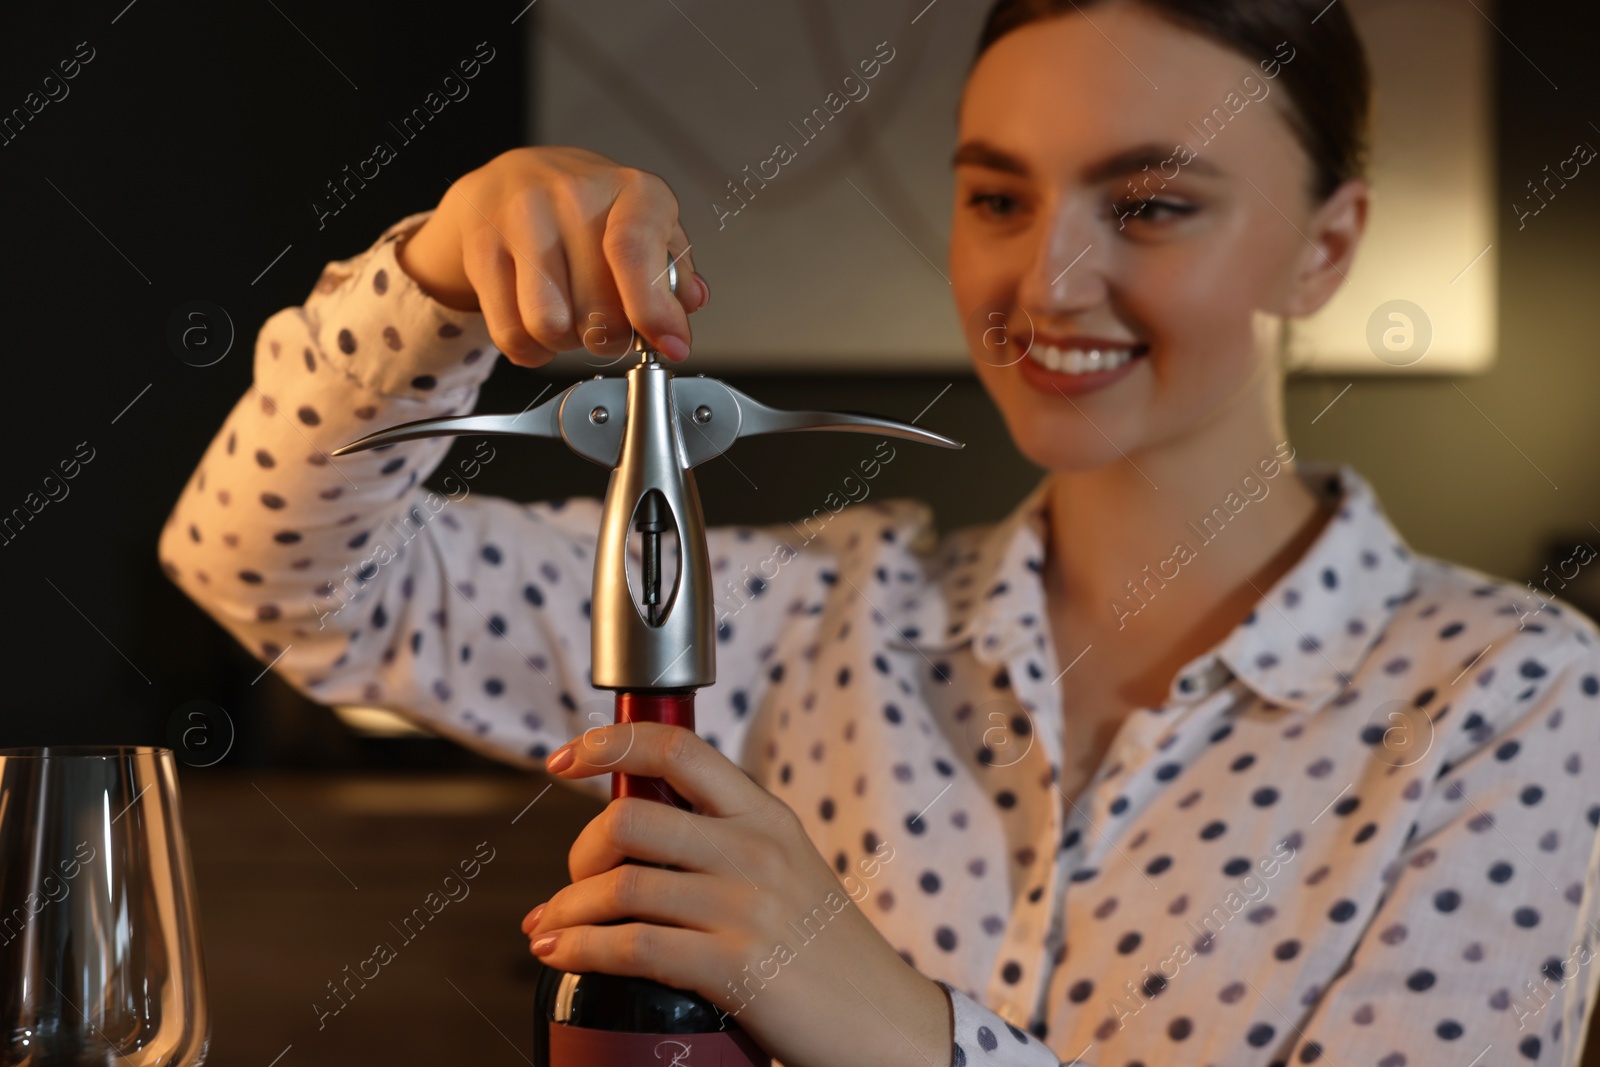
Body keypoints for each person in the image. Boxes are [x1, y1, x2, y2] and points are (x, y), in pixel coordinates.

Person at [159, 0, 1600, 1063]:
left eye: (1152, 203)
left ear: (1327, 245)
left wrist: (889, 1020)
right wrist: (438, 277)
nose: (1050, 276)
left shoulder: (1507, 701)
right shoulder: (810, 617)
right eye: (996, 196)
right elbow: (273, 573)